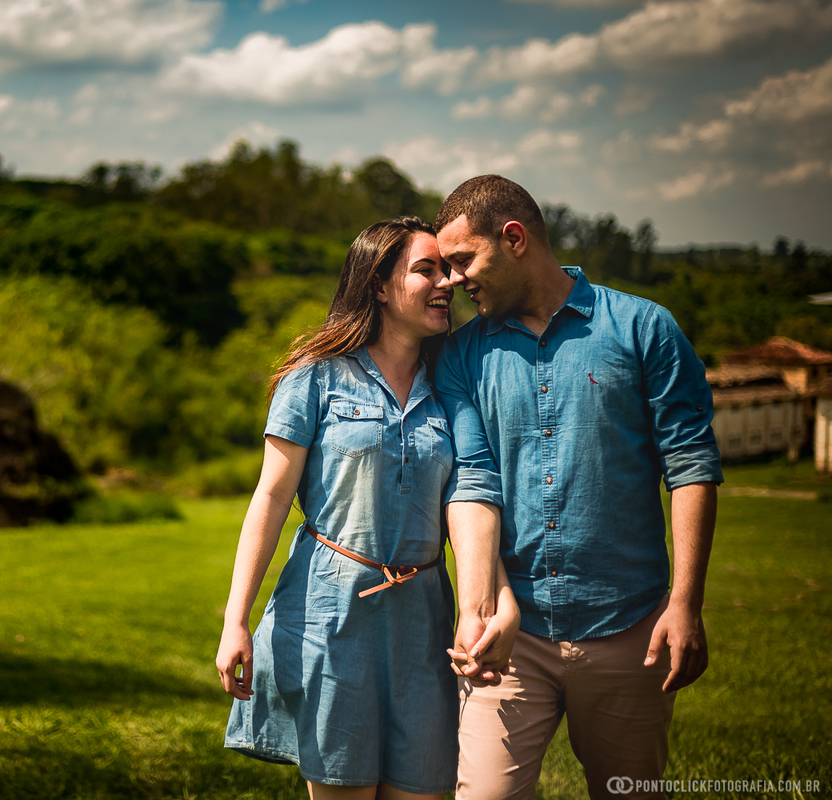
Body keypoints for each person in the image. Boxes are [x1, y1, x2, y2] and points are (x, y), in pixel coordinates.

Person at [431, 175, 722, 800]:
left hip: (631, 630)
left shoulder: (644, 328)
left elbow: (691, 465)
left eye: (461, 261)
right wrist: (480, 606)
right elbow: (474, 479)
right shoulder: (459, 355)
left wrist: (685, 603)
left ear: (514, 239)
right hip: (511, 638)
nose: (451, 281)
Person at [217, 216, 520, 800]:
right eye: (426, 270)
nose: (447, 283)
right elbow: (271, 499)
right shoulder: (315, 377)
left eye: (448, 270)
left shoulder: (452, 384)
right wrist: (236, 620)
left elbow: (467, 502)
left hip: (423, 629)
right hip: (330, 622)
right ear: (378, 285)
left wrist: (495, 596)